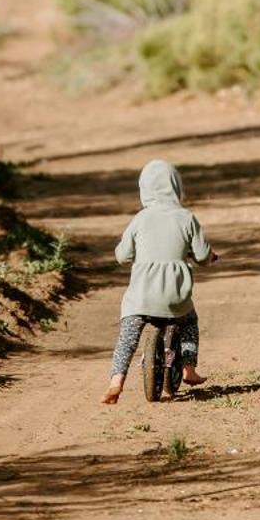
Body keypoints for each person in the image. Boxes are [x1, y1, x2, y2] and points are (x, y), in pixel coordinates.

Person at [103, 159, 214, 404]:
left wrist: (137, 254)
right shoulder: (187, 218)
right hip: (175, 298)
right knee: (189, 322)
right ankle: (188, 369)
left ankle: (116, 381)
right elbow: (203, 256)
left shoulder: (140, 219)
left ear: (144, 190)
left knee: (128, 338)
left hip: (140, 298)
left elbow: (122, 256)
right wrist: (208, 257)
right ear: (177, 187)